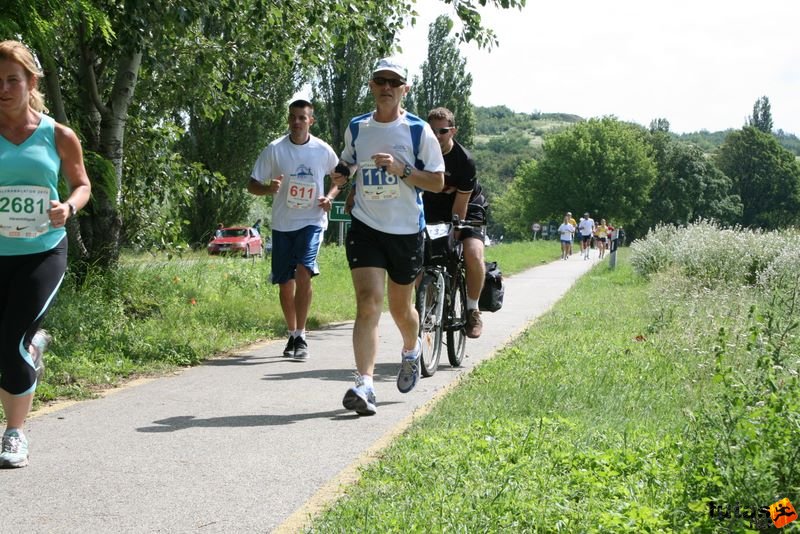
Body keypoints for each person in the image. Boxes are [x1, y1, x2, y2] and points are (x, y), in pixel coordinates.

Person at [331, 57, 444, 416]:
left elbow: (438, 182)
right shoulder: (357, 127)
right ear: (371, 86)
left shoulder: (417, 130)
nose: (386, 88)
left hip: (406, 230)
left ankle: (411, 349)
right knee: (367, 302)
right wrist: (342, 173)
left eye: (393, 82)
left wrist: (402, 169)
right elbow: (349, 160)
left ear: (404, 89)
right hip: (365, 224)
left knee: (400, 309)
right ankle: (365, 384)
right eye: (380, 81)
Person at [0, 40, 91, 468]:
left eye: (11, 80)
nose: (3, 88)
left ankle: (14, 433)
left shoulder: (58, 134)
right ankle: (31, 348)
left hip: (42, 251)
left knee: (9, 342)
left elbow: (82, 184)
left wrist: (68, 207)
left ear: (30, 82)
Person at [248, 99, 340, 360]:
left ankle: (302, 335)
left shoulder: (322, 150)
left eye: (302, 117)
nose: (297, 122)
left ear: (311, 120)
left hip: (311, 221)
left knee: (304, 271)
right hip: (282, 224)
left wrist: (330, 197)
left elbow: (339, 178)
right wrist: (268, 189)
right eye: (293, 117)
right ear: (288, 120)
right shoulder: (275, 149)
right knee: (285, 285)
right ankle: (292, 333)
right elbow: (251, 184)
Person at [423, 107, 489, 338]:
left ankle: (472, 309)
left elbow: (460, 206)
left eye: (443, 131)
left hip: (468, 205)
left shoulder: (464, 161)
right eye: (432, 131)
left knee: (471, 252)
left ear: (453, 131)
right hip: (433, 205)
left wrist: (454, 236)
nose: (437, 136)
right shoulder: (419, 155)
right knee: (421, 256)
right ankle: (426, 306)